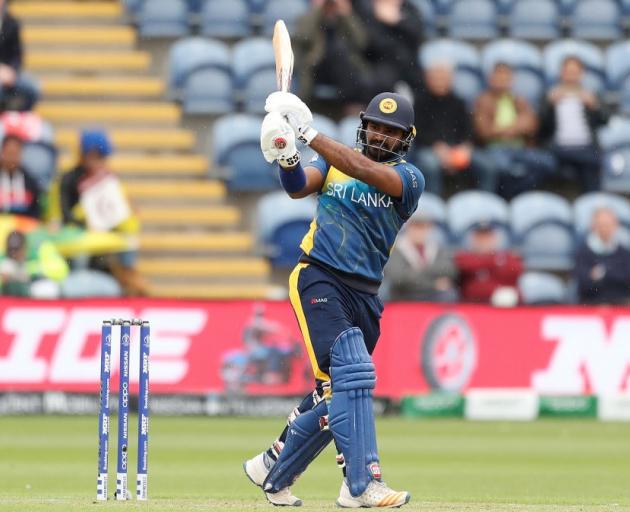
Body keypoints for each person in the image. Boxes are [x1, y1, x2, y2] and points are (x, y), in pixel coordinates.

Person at [245, 90, 424, 508]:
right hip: (318, 276)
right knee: (354, 372)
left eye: (391, 132)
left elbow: (362, 168)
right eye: (376, 127)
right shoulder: (331, 162)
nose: (380, 136)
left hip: (364, 294)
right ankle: (362, 484)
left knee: (337, 393)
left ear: (405, 139)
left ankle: (273, 470)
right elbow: (297, 188)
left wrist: (307, 132)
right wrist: (287, 154)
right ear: (365, 125)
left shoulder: (410, 178)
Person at [59, 129, 147, 296]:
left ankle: (127, 277)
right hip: (79, 233)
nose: (100, 161)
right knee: (82, 251)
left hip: (105, 234)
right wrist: (86, 222)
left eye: (102, 157)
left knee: (128, 241)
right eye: (96, 156)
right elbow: (66, 215)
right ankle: (80, 282)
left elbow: (119, 212)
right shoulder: (70, 178)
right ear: (86, 154)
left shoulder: (109, 179)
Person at [474, 62, 554, 199]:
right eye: (498, 77)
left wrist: (506, 129)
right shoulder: (483, 101)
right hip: (495, 148)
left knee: (547, 163)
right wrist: (515, 127)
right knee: (506, 168)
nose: (502, 81)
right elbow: (484, 131)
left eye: (505, 78)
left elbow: (532, 125)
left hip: (521, 148)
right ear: (490, 79)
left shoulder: (519, 100)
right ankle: (509, 198)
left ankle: (519, 196)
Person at [413, 61, 492, 196]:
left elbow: (468, 130)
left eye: (443, 78)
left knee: (488, 166)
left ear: (451, 80)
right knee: (431, 165)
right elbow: (416, 131)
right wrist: (437, 146)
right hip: (428, 148)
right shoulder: (419, 102)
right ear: (427, 79)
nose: (439, 81)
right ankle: (435, 201)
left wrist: (464, 147)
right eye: (436, 78)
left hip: (457, 148)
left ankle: (485, 200)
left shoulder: (459, 102)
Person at [539, 56, 608, 193]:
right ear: (561, 73)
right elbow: (541, 127)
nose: (571, 76)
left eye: (574, 72)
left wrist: (594, 106)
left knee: (592, 162)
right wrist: (549, 105)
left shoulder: (591, 95)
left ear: (581, 74)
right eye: (568, 71)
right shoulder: (550, 95)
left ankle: (591, 200)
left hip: (586, 145)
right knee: (592, 160)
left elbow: (605, 120)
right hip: (559, 147)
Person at [293, 0, 371, 117]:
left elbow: (361, 42)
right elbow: (304, 36)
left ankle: (352, 101)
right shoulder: (307, 19)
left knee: (340, 52)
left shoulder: (345, 20)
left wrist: (346, 14)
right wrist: (317, 11)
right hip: (317, 67)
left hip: (343, 68)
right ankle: (352, 101)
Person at [384, 210, 458, 301]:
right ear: (408, 227)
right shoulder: (396, 248)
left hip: (432, 296)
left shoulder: (436, 247)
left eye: (423, 227)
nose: (419, 231)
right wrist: (433, 284)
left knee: (450, 294)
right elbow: (398, 278)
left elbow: (449, 269)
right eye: (416, 227)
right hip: (404, 295)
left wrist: (416, 273)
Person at [354, 0, 424, 95]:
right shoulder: (366, 9)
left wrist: (398, 22)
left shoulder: (409, 8)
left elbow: (417, 35)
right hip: (380, 62)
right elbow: (372, 43)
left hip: (409, 63)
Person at [455, 221, 523, 305]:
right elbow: (465, 265)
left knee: (506, 296)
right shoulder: (465, 255)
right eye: (480, 237)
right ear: (473, 239)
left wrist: (483, 262)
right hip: (472, 305)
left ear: (495, 238)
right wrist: (496, 261)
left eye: (487, 236)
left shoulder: (508, 256)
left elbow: (515, 270)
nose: (484, 241)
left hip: (502, 308)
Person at [575, 207, 630, 305]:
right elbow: (583, 284)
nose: (605, 228)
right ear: (593, 226)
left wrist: (602, 273)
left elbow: (626, 280)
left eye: (608, 224)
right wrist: (613, 274)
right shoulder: (583, 252)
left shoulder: (624, 253)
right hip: (591, 305)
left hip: (620, 305)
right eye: (601, 225)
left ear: (616, 225)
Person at [0, 133, 41, 219]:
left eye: (15, 154)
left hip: (24, 226)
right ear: (2, 153)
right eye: (9, 153)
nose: (12, 158)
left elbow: (36, 211)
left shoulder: (30, 180)